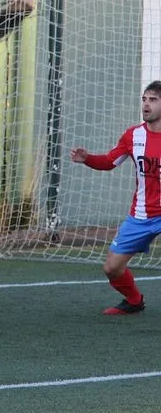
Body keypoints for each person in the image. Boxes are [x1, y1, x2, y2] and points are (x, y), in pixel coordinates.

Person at [70, 80, 161, 315]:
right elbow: (109, 162)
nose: (146, 105)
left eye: (153, 100)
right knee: (112, 268)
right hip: (141, 215)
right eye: (144, 99)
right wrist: (87, 158)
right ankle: (134, 301)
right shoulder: (133, 136)